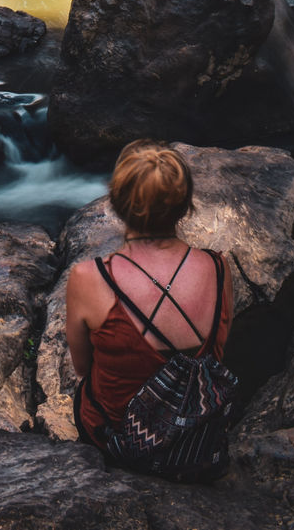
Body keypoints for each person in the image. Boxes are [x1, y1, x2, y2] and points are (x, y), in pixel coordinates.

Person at [66, 138, 234, 464]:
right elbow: (218, 353)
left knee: (85, 395)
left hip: (119, 440)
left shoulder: (89, 278)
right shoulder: (218, 268)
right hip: (194, 436)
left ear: (115, 203)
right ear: (186, 206)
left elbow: (83, 367)